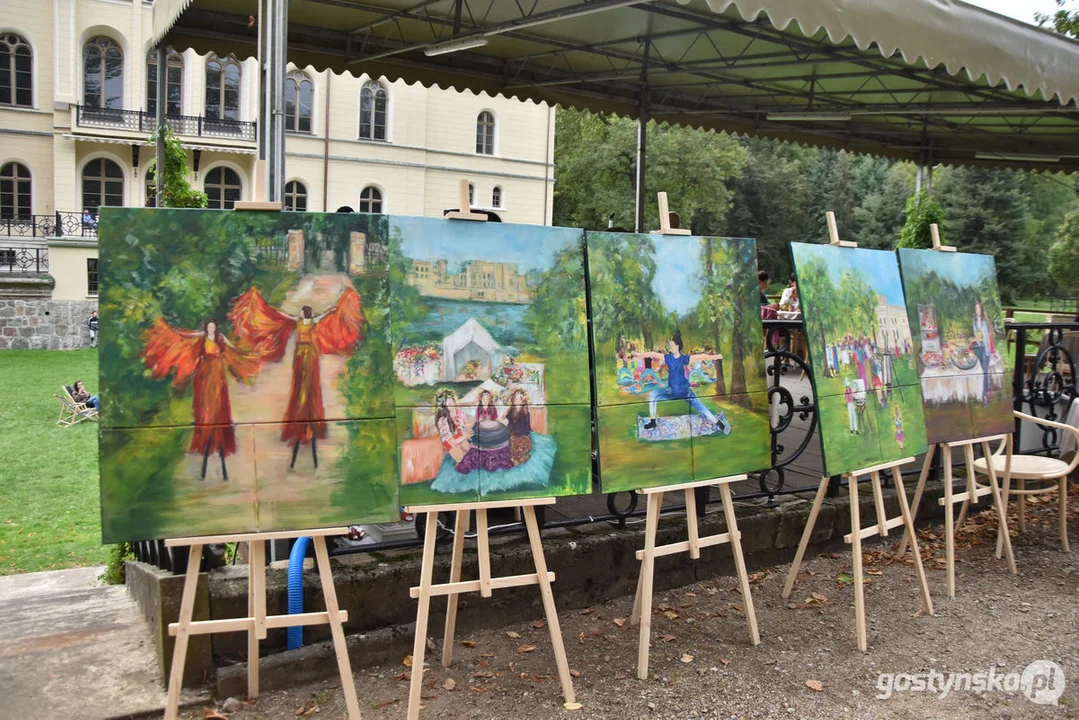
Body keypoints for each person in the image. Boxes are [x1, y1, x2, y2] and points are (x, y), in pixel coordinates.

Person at [230, 286, 366, 471]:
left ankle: (309, 418)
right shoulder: (298, 321)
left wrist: (335, 308)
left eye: (304, 312)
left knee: (310, 384)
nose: (302, 314)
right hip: (300, 355)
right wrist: (271, 309)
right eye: (302, 312)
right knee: (299, 383)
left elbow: (325, 315)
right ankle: (300, 416)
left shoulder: (312, 322)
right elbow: (282, 316)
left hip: (310, 354)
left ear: (307, 313)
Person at [143, 318, 261, 480]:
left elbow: (233, 351)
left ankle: (218, 438)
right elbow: (186, 336)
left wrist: (246, 357)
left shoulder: (221, 339)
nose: (211, 329)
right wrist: (172, 332)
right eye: (209, 327)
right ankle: (206, 436)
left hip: (218, 376)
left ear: (216, 328)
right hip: (204, 377)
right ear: (206, 328)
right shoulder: (201, 338)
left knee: (218, 408)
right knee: (206, 410)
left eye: (213, 326)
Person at [636, 330, 728, 433]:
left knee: (701, 407)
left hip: (685, 391)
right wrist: (640, 355)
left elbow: (702, 357)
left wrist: (716, 357)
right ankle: (653, 422)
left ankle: (718, 423)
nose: (670, 347)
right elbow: (653, 354)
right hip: (672, 391)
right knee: (653, 395)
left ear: (677, 346)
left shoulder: (684, 359)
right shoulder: (668, 358)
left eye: (672, 345)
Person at [435, 390, 472, 463]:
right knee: (463, 461)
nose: (453, 405)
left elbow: (463, 424)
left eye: (453, 402)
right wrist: (464, 437)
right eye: (449, 404)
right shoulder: (443, 420)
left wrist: (467, 425)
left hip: (460, 436)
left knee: (471, 454)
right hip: (450, 442)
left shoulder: (458, 411)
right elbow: (450, 440)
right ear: (444, 406)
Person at [971, 299, 996, 405]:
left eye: (979, 309)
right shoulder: (974, 319)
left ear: (981, 310)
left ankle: (985, 395)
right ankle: (985, 393)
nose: (978, 311)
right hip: (979, 348)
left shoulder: (985, 320)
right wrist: (977, 339)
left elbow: (988, 334)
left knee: (984, 373)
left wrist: (989, 348)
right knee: (981, 372)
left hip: (986, 348)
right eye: (976, 309)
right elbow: (975, 331)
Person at [506, 388, 533, 467]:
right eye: (515, 398)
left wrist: (516, 433)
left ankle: (521, 457)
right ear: (513, 400)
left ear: (522, 401)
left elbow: (527, 429)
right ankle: (515, 458)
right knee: (508, 444)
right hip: (513, 435)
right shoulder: (511, 411)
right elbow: (509, 425)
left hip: (522, 435)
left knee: (520, 445)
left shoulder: (525, 413)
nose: (517, 400)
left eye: (519, 398)